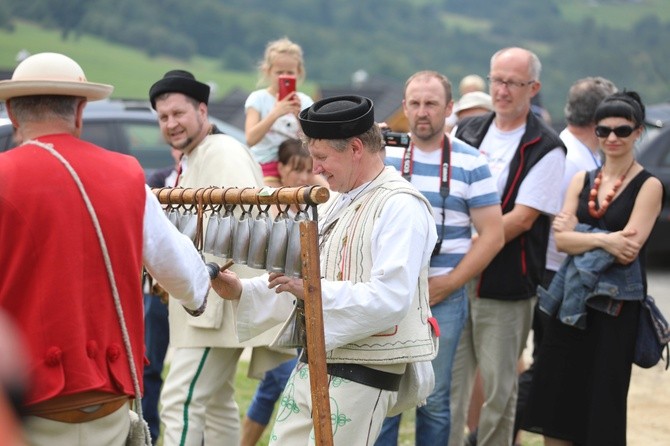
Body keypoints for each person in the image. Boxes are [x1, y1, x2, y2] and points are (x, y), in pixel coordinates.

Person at [0, 52, 211, 445]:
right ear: (80, 112)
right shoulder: (129, 176)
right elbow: (188, 279)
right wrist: (205, 285)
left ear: (12, 113)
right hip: (109, 405)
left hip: (22, 410)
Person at [212, 95, 439, 444]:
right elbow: (305, 281)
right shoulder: (338, 201)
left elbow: (390, 299)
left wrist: (312, 289)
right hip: (314, 358)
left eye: (321, 158)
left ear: (356, 148)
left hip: (367, 369)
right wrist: (243, 290)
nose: (315, 169)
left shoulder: (401, 206)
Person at [149, 70, 288, 446]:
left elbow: (244, 231)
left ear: (202, 110)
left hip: (214, 306)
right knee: (215, 405)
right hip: (205, 305)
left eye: (178, 113)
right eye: (164, 117)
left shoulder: (222, 151)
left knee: (181, 401)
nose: (172, 123)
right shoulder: (197, 156)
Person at [522, 91, 664, 445]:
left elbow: (628, 250)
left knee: (603, 404)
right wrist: (605, 240)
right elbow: (562, 243)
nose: (612, 138)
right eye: (603, 130)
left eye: (621, 130)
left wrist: (581, 234)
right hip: (569, 303)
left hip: (614, 312)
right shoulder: (582, 179)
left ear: (638, 133)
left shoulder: (649, 185)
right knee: (556, 402)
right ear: (595, 132)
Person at [375, 71, 503, 445]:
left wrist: (451, 282)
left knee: (433, 400)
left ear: (449, 109)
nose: (422, 112)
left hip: (443, 298)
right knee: (384, 397)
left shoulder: (471, 162)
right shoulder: (384, 154)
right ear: (404, 107)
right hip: (387, 293)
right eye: (414, 103)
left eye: (431, 104)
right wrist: (366, 140)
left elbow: (493, 235)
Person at [449, 47, 566, 446]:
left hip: (506, 284)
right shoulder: (468, 131)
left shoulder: (546, 146)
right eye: (496, 79)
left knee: (499, 391)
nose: (501, 90)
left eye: (512, 82)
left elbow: (521, 219)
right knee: (447, 384)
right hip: (455, 277)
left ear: (533, 88)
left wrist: (464, 252)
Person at [510, 75, 619, 446]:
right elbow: (559, 227)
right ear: (600, 117)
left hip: (561, 273)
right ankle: (489, 435)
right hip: (558, 276)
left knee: (550, 371)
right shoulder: (571, 158)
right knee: (547, 372)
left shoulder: (578, 152)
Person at [239, 138, 325, 446]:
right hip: (276, 303)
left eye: (307, 170)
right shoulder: (270, 209)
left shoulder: (313, 206)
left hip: (302, 305)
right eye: (296, 169)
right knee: (279, 380)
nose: (302, 177)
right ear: (282, 169)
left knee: (272, 387)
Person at [141, 145, 182, 444]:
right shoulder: (158, 179)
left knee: (188, 369)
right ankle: (149, 433)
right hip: (157, 293)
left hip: (187, 292)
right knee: (150, 365)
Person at [245, 37, 314, 187]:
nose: (284, 77)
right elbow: (250, 138)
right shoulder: (258, 99)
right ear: (268, 71)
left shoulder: (305, 101)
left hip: (299, 166)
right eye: (279, 72)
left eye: (290, 72)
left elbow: (313, 140)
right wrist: (275, 113)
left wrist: (299, 117)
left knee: (325, 191)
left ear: (298, 72)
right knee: (275, 200)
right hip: (265, 166)